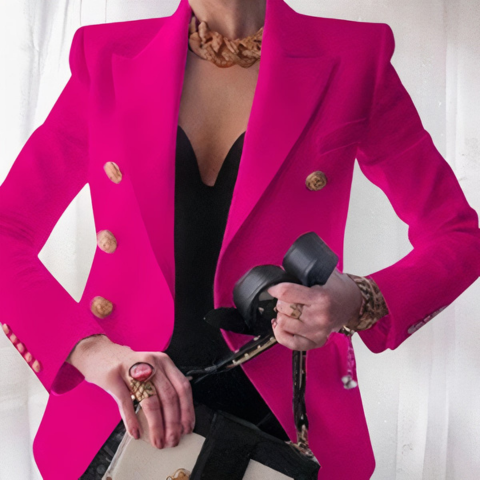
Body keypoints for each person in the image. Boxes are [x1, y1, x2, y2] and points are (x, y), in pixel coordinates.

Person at [2, 0, 479, 478]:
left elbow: (457, 235)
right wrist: (91, 352)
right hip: (121, 412)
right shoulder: (107, 55)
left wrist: (357, 299)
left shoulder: (353, 59)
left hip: (286, 426)